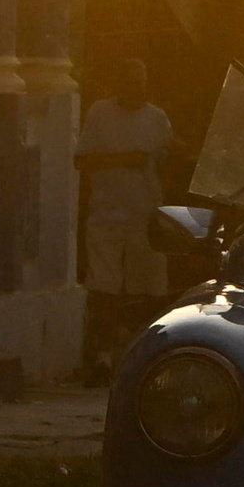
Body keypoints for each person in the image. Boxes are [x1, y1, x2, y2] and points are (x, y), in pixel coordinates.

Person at [76, 55, 180, 370]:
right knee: (104, 287)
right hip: (106, 215)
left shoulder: (157, 118)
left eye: (141, 81)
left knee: (148, 289)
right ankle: (102, 358)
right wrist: (123, 160)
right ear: (119, 83)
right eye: (130, 81)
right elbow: (82, 161)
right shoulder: (99, 113)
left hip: (145, 217)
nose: (136, 87)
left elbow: (170, 160)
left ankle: (142, 358)